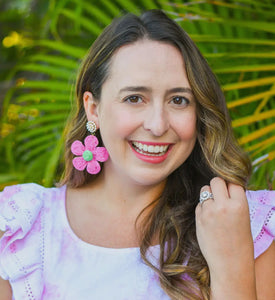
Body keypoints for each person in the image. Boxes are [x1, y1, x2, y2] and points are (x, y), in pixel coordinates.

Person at [0, 9, 274, 300]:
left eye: (179, 100)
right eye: (134, 98)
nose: (157, 125)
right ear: (93, 108)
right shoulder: (24, 230)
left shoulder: (249, 224)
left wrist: (232, 266)